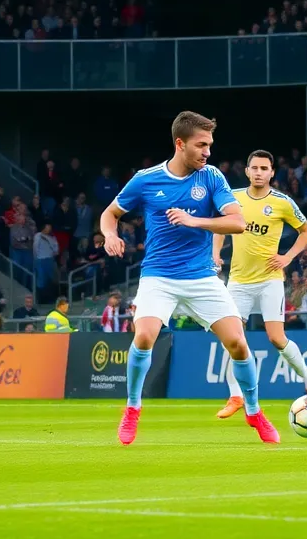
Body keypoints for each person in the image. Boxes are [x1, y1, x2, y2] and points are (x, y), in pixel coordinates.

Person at [100, 110, 277, 445]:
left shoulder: (211, 177)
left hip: (201, 277)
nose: (208, 151)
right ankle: (132, 408)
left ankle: (254, 411)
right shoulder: (146, 179)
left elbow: (237, 222)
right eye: (201, 145)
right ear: (180, 144)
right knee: (144, 336)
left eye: (210, 144)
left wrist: (196, 222)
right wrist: (110, 234)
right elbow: (111, 213)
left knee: (238, 343)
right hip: (159, 276)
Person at [213, 149, 307, 418]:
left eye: (265, 168)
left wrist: (287, 257)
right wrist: (215, 254)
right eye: (255, 168)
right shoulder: (235, 198)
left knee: (276, 337)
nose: (259, 172)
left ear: (272, 172)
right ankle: (235, 396)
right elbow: (220, 225)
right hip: (238, 280)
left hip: (269, 281)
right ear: (248, 171)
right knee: (233, 339)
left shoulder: (282, 202)